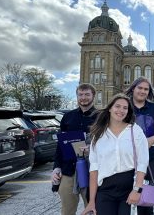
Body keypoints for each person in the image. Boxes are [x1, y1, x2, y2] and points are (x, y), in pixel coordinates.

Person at [81, 94, 149, 215]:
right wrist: (91, 201)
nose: (121, 110)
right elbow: (94, 169)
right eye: (117, 106)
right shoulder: (98, 134)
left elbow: (142, 162)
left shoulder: (135, 130)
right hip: (105, 189)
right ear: (110, 108)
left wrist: (137, 189)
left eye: (125, 108)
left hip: (129, 186)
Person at [52, 83, 97, 215]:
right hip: (68, 170)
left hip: (91, 170)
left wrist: (92, 149)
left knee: (92, 210)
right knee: (67, 210)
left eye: (87, 94)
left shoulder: (101, 117)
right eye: (80, 95)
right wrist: (56, 167)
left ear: (93, 96)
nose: (83, 98)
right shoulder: (68, 117)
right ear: (77, 96)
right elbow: (60, 145)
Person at [125, 76, 154, 215]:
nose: (142, 91)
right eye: (140, 88)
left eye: (146, 89)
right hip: (126, 161)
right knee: (125, 198)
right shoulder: (123, 106)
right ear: (133, 88)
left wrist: (151, 140)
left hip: (150, 160)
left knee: (146, 201)